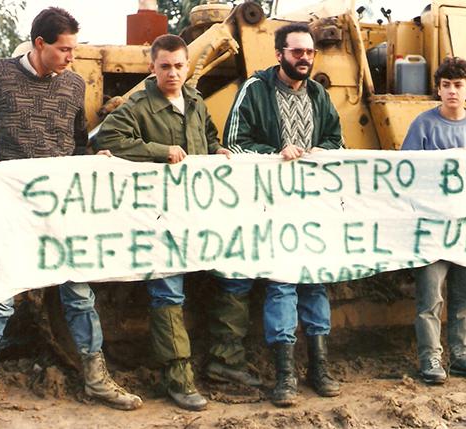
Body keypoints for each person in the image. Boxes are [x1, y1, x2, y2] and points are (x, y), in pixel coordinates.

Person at [0, 8, 142, 429]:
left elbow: (77, 143)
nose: (72, 56)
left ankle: (96, 377)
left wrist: (93, 159)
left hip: (62, 207)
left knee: (79, 293)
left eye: (75, 48)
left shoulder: (73, 85)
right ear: (40, 44)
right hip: (11, 203)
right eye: (65, 49)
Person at [206, 23, 343, 407]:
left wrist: (317, 152)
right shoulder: (256, 89)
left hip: (312, 206)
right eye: (297, 52)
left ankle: (319, 367)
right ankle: (285, 375)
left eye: (310, 53)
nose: (304, 59)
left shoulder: (318, 94)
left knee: (316, 281)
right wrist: (277, 153)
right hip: (269, 205)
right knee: (281, 283)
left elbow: (337, 139)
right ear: (279, 54)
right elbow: (234, 142)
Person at [95, 34, 231, 410]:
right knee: (168, 292)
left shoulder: (196, 102)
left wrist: (218, 149)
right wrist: (159, 152)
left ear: (187, 66)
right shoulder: (138, 105)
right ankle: (178, 379)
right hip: (159, 221)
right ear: (152, 68)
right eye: (164, 66)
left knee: (228, 278)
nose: (172, 73)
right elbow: (109, 137)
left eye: (178, 66)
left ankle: (226, 363)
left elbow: (207, 136)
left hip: (197, 216)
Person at [400, 56, 466, 384]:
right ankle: (430, 359)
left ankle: (463, 355)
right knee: (430, 297)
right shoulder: (423, 125)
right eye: (446, 85)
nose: (452, 91)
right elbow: (406, 172)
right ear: (438, 90)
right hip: (431, 227)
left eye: (458, 85)